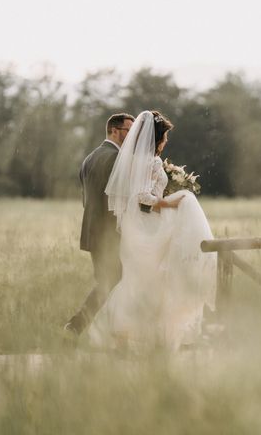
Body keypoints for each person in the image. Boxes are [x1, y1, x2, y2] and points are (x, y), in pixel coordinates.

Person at [87, 110, 216, 351]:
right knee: (154, 277)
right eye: (165, 137)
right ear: (157, 139)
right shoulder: (152, 162)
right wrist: (171, 203)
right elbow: (141, 197)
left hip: (132, 226)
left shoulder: (131, 161)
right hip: (145, 228)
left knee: (135, 279)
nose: (166, 142)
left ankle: (122, 334)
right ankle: (151, 333)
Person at [64, 113, 135, 337]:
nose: (131, 135)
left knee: (109, 281)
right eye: (128, 131)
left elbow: (87, 199)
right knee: (112, 280)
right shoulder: (116, 159)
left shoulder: (89, 158)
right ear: (114, 131)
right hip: (109, 234)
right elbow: (117, 200)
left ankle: (108, 332)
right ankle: (76, 326)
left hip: (92, 233)